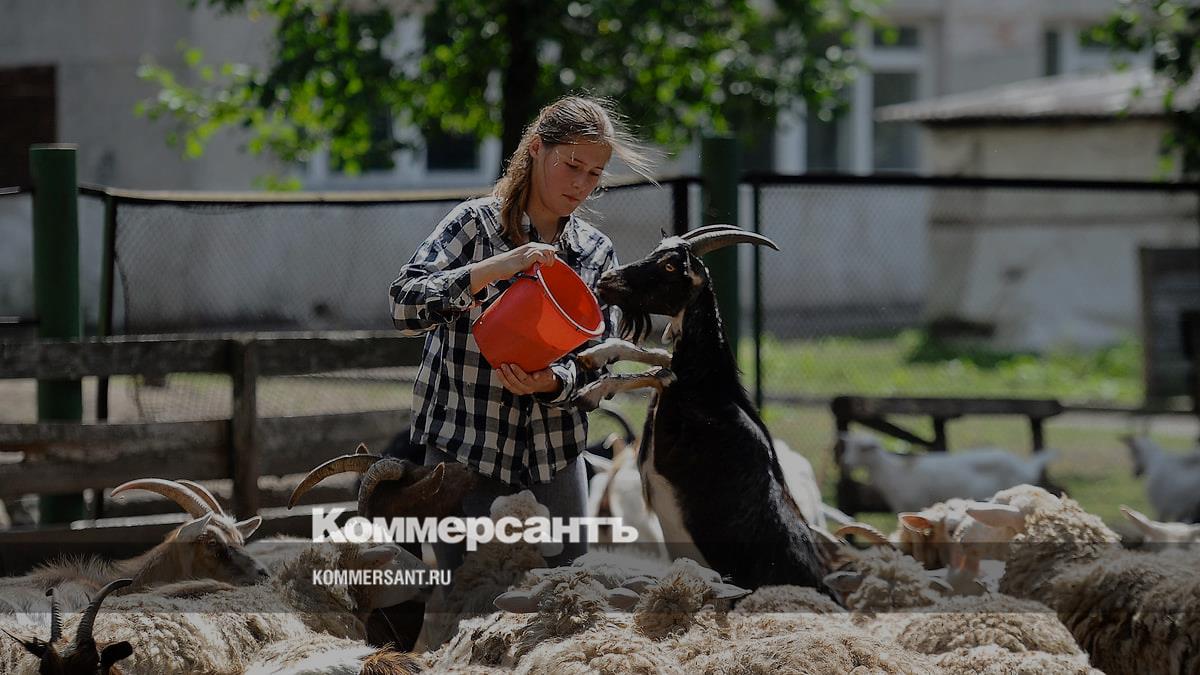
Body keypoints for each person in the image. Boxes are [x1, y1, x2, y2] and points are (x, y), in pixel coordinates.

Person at [389, 95, 655, 572]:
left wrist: (553, 382)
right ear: (535, 148)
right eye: (572, 165)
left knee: (567, 599)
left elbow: (602, 359)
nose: (581, 184)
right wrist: (493, 269)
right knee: (469, 603)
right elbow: (403, 305)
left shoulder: (595, 252)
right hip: (464, 456)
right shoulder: (474, 225)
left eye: (594, 174)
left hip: (555, 460)